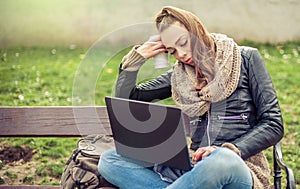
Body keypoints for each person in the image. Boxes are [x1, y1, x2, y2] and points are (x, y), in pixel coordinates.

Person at [98, 6, 284, 189]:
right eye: (172, 51)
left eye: (183, 42)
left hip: (239, 164)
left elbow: (273, 123)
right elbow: (129, 98)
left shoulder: (246, 58)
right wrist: (136, 59)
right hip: (194, 168)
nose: (182, 54)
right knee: (110, 160)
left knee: (220, 160)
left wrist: (230, 149)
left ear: (196, 30)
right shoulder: (179, 75)